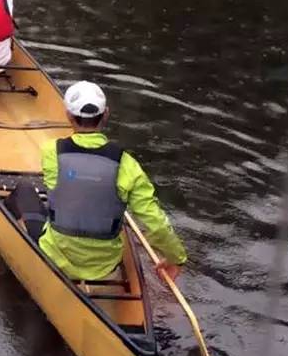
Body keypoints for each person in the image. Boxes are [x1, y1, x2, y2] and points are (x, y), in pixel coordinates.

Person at [38, 81, 188, 282]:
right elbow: (157, 224)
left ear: (68, 116)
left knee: (25, 194)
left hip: (56, 255)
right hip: (105, 265)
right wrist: (176, 258)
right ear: (106, 114)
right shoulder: (127, 164)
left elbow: (67, 188)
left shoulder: (50, 153)